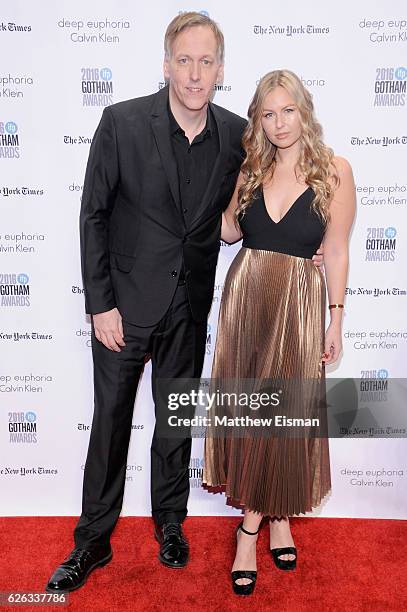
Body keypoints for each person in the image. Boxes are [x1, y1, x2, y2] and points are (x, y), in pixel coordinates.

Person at [45, 14, 323, 593]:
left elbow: (272, 194)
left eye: (206, 62)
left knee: (174, 424)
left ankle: (171, 522)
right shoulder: (121, 122)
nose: (194, 74)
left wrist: (314, 248)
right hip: (124, 307)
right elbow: (92, 215)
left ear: (220, 70)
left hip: (190, 308)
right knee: (110, 427)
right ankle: (92, 540)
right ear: (166, 63)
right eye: (184, 60)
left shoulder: (235, 136)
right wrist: (101, 304)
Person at [203, 69, 356, 596]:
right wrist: (214, 177)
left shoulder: (334, 171)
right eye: (267, 114)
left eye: (287, 110)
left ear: (304, 110)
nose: (279, 122)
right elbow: (227, 230)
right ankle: (268, 523)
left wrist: (335, 316)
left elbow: (335, 249)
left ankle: (259, 524)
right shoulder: (249, 170)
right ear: (258, 121)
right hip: (247, 303)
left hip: (297, 305)